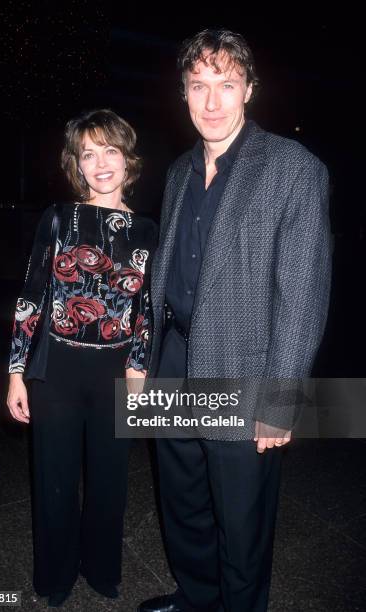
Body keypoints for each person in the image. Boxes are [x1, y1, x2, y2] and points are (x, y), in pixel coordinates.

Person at [139, 29, 331, 612]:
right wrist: (143, 361)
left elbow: (303, 291)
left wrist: (281, 398)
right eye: (200, 86)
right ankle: (196, 597)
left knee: (242, 521)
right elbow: (164, 274)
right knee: (182, 498)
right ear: (184, 94)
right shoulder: (176, 173)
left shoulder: (292, 168)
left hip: (243, 371)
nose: (213, 101)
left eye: (227, 84)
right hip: (173, 358)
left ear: (249, 89)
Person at [6, 109, 157, 607]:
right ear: (78, 164)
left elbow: (148, 308)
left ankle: (102, 570)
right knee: (54, 478)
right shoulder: (57, 218)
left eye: (110, 150)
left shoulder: (149, 231)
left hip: (116, 370)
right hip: (59, 370)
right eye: (88, 154)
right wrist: (16, 373)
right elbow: (31, 295)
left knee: (110, 478)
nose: (101, 163)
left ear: (128, 159)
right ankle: (54, 577)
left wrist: (138, 368)